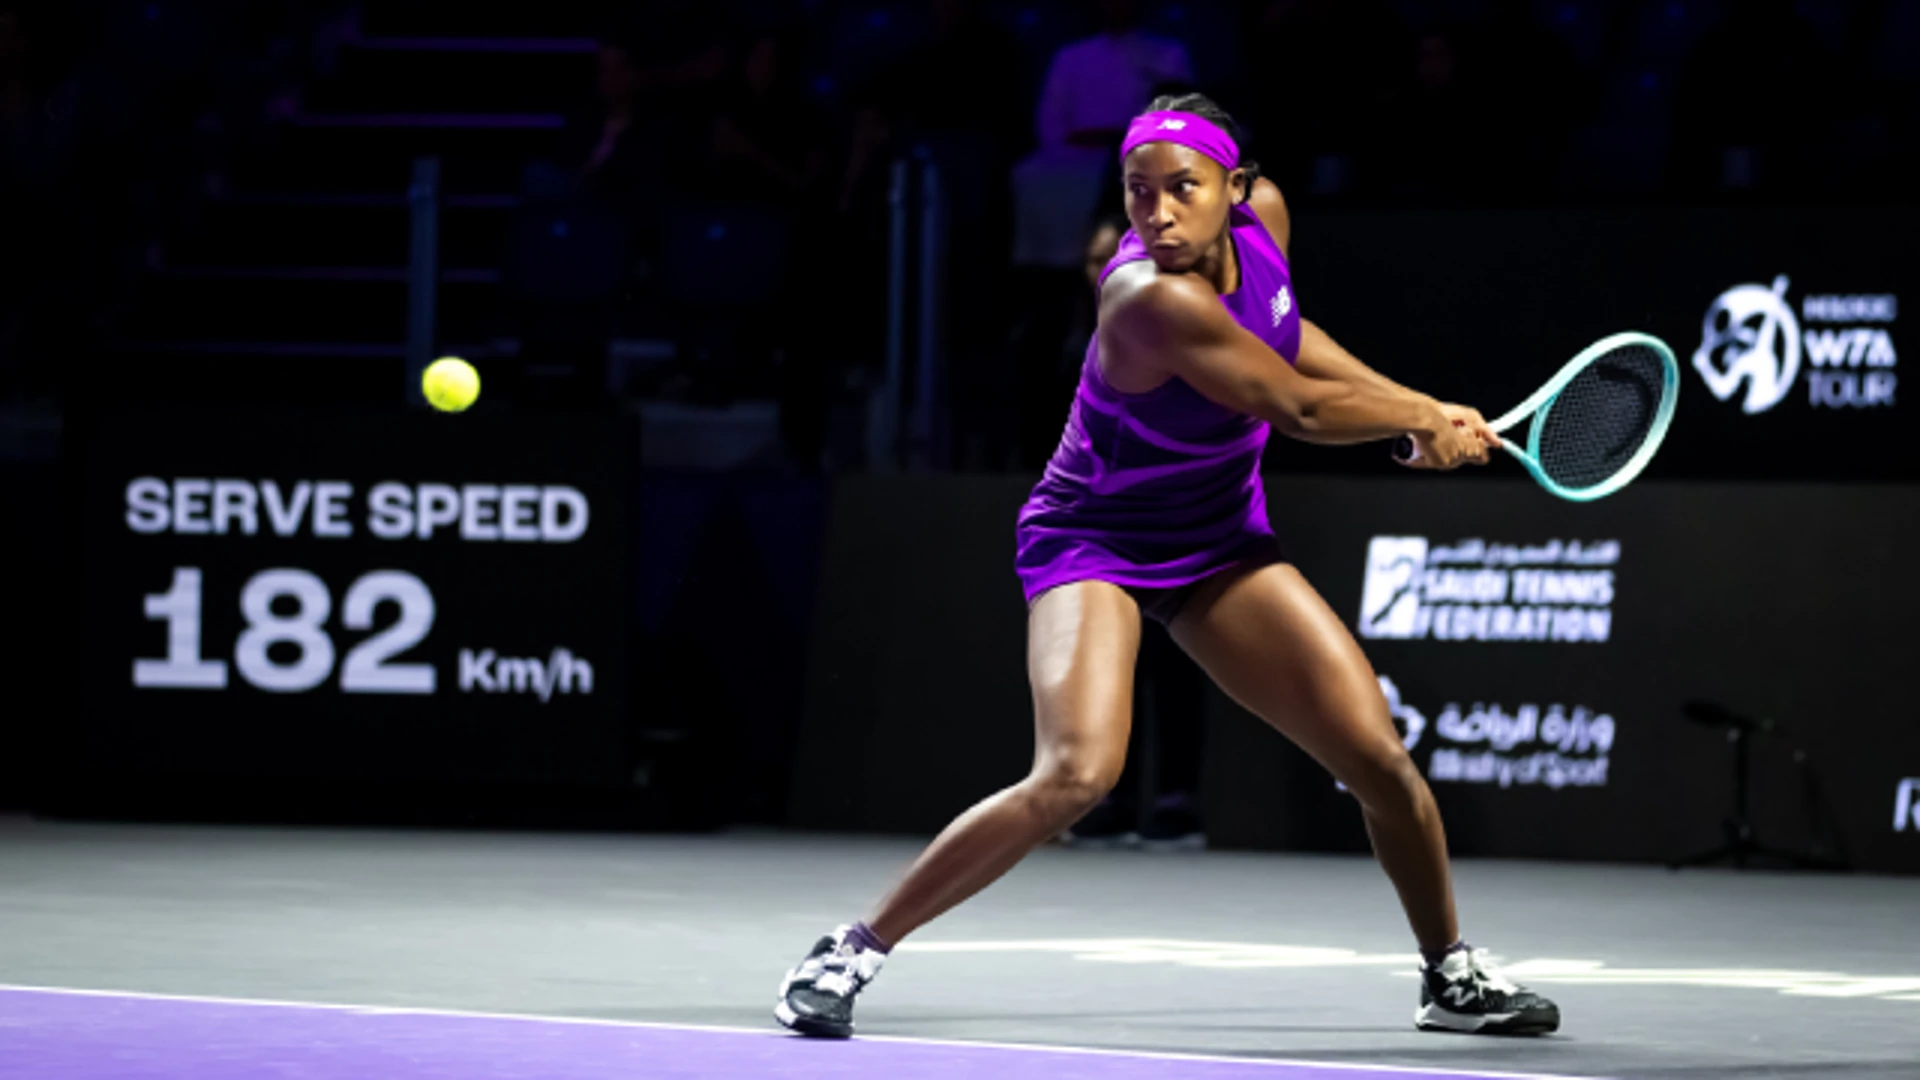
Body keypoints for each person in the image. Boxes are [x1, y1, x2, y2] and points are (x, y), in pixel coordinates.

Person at [774, 93, 1560, 1040]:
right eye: (1137, 193)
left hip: (1220, 539)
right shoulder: (1144, 296)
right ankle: (851, 949)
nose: (1156, 215)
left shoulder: (1264, 223)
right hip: (1093, 539)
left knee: (1380, 762)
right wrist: (1414, 425)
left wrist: (1420, 404)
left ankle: (1449, 976)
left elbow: (1286, 336)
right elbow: (1297, 409)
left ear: (1235, 189)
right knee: (1076, 772)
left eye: (1180, 190)